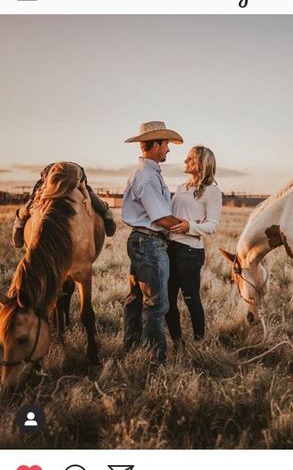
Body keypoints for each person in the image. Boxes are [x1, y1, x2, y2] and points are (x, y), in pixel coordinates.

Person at [122, 121, 184, 363]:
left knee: (136, 299)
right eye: (166, 143)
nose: (168, 149)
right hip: (149, 242)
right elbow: (160, 217)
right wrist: (189, 227)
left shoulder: (148, 173)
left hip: (143, 241)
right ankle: (155, 358)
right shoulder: (147, 176)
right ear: (155, 144)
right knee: (156, 304)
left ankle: (132, 347)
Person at [165, 146, 222, 344]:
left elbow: (213, 225)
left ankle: (199, 342)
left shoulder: (212, 191)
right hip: (169, 248)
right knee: (168, 299)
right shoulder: (182, 187)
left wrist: (190, 226)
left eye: (190, 158)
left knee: (191, 299)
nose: (185, 161)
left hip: (189, 252)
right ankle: (177, 342)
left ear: (202, 163)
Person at [11, 162, 116, 248]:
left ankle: (108, 215)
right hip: (48, 180)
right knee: (32, 203)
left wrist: (88, 199)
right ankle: (19, 222)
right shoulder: (48, 177)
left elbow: (84, 189)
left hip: (72, 176)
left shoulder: (78, 176)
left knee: (98, 203)